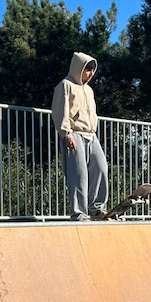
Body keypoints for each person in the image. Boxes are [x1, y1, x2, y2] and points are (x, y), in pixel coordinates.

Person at [51, 52, 108, 220]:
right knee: (79, 174)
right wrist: (66, 133)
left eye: (93, 70)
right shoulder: (65, 85)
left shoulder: (88, 90)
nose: (90, 74)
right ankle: (79, 213)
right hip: (74, 134)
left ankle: (97, 208)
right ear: (79, 68)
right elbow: (60, 110)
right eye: (87, 69)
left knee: (101, 168)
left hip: (91, 134)